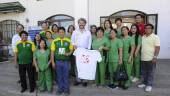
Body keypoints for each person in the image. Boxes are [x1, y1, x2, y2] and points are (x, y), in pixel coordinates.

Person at [51, 27, 73, 95]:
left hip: (66, 61)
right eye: (60, 32)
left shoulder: (69, 40)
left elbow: (71, 50)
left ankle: (66, 89)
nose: (61, 33)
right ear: (58, 33)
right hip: (58, 62)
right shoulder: (54, 41)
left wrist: (68, 53)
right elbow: (52, 52)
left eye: (62, 32)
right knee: (59, 76)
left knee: (66, 76)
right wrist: (52, 62)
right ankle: (60, 89)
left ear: (64, 33)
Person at [138, 24, 160, 92]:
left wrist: (155, 57)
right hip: (143, 58)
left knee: (150, 72)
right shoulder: (143, 37)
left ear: (152, 29)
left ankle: (149, 85)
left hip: (151, 58)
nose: (147, 29)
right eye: (146, 28)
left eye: (149, 28)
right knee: (144, 72)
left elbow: (157, 48)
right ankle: (144, 83)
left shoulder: (155, 37)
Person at [71, 18, 92, 87]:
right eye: (80, 23)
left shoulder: (88, 32)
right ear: (78, 23)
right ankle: (78, 80)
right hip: (77, 51)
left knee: (85, 66)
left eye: (83, 23)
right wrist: (74, 47)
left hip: (85, 51)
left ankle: (84, 80)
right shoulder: (75, 32)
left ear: (85, 24)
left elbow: (89, 42)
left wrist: (88, 50)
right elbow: (72, 41)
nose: (81, 24)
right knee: (77, 66)